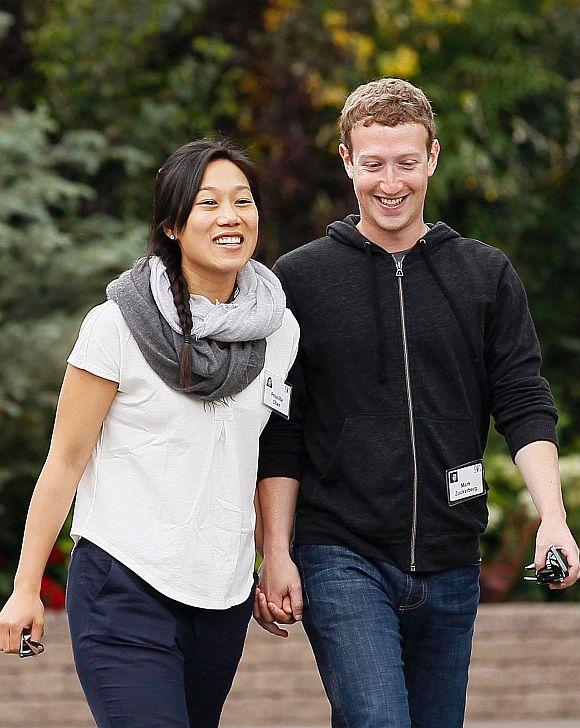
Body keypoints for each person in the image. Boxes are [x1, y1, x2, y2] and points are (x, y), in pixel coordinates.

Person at [254, 78, 580, 727]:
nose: (390, 182)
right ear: (347, 161)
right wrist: (277, 550)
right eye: (373, 164)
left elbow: (522, 399)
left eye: (406, 162)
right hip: (339, 553)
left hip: (450, 557)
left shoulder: (484, 274)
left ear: (432, 156)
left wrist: (553, 517)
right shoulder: (298, 280)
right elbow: (279, 430)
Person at [0, 138, 299, 727]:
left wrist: (274, 555)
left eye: (243, 201)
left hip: (222, 593)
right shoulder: (115, 325)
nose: (230, 217)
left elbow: (263, 455)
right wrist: (26, 586)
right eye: (208, 203)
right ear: (172, 224)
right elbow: (65, 460)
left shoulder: (279, 330)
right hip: (123, 583)